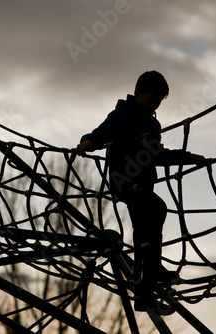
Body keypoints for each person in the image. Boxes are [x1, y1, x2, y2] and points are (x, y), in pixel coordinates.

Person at [76, 71, 206, 312]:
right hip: (124, 182)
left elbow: (156, 155)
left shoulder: (152, 124)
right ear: (137, 93)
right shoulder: (123, 114)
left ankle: (143, 292)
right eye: (150, 99)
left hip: (143, 184)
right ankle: (152, 270)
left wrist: (187, 157)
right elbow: (101, 132)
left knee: (142, 231)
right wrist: (88, 143)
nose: (154, 105)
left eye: (158, 102)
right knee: (156, 208)